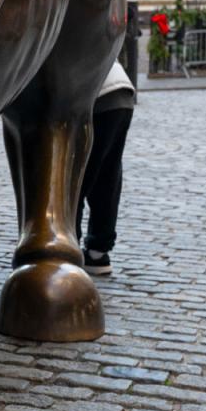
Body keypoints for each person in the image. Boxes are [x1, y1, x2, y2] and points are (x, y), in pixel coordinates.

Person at [79, 61, 135, 275]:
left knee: (75, 176)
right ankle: (98, 253)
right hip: (121, 95)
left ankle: (69, 244)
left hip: (95, 97)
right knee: (107, 177)